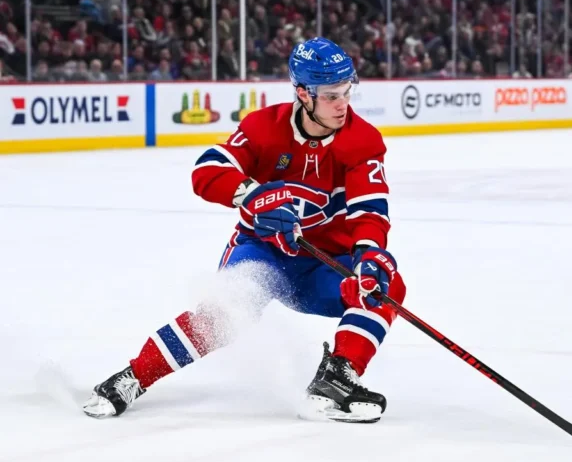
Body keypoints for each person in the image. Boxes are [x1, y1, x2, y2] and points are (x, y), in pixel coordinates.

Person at [82, 37, 406, 424]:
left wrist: (369, 254)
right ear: (303, 93)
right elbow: (206, 171)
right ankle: (133, 377)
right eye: (331, 95)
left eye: (347, 91)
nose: (343, 104)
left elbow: (369, 211)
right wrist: (251, 195)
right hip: (263, 252)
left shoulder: (362, 140)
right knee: (224, 316)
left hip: (325, 264)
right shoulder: (264, 128)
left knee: (384, 288)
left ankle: (337, 378)